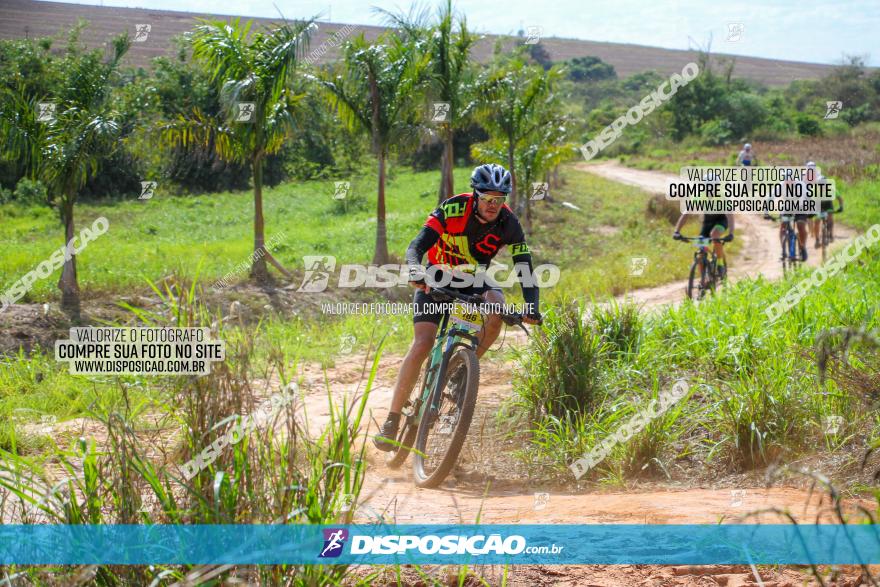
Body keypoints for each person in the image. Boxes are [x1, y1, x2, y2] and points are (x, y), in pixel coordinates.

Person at [373, 163, 542, 451]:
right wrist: (415, 271)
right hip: (436, 277)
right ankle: (391, 419)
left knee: (497, 311)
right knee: (423, 343)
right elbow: (416, 246)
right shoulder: (453, 209)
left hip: (472, 279)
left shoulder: (510, 224)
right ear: (475, 194)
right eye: (487, 198)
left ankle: (462, 371)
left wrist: (532, 306)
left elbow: (524, 267)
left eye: (499, 200)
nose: (493, 205)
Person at [672, 172, 735, 279]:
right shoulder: (699, 195)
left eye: (713, 187)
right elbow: (686, 213)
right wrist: (677, 231)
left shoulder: (723, 195)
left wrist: (731, 233)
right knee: (700, 250)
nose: (710, 189)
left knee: (714, 235)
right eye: (707, 187)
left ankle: (720, 264)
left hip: (721, 220)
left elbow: (730, 216)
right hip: (708, 222)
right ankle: (703, 279)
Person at [811, 172, 844, 248]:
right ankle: (817, 239)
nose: (822, 186)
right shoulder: (814, 190)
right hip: (818, 205)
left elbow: (840, 198)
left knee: (830, 217)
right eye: (820, 184)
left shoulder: (831, 189)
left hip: (828, 204)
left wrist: (841, 206)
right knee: (816, 221)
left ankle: (830, 234)